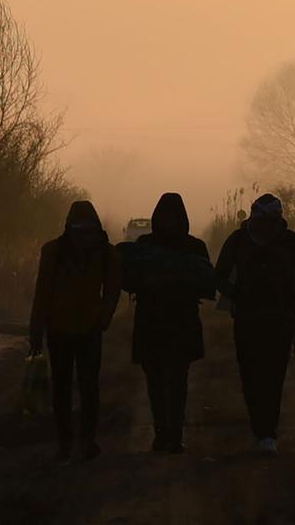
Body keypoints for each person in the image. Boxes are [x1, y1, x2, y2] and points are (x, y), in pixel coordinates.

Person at [215, 193, 295, 454]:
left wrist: (290, 297)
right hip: (248, 319)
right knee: (251, 377)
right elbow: (219, 276)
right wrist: (238, 294)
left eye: (270, 219)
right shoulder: (239, 241)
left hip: (279, 319)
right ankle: (261, 429)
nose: (265, 224)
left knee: (272, 378)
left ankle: (267, 431)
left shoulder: (290, 242)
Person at [29, 199, 122, 461]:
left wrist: (36, 329)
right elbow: (113, 291)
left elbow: (42, 293)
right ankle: (84, 441)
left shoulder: (55, 250)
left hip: (62, 328)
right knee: (87, 387)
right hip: (82, 328)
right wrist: (103, 319)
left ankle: (67, 442)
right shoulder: (105, 251)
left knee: (64, 388)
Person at [128, 192, 212, 454]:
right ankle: (165, 434)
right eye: (166, 217)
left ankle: (170, 436)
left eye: (172, 217)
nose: (168, 222)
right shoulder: (193, 247)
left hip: (166, 320)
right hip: (168, 320)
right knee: (161, 382)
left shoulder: (146, 245)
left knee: (174, 382)